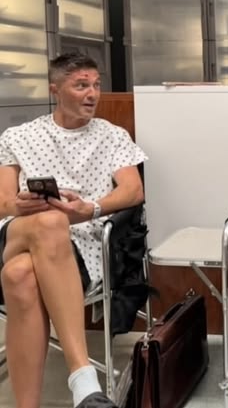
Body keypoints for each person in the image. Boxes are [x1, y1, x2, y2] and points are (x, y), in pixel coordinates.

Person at [0, 53, 147, 408]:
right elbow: (3, 202)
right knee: (50, 220)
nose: (92, 93)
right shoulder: (18, 136)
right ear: (55, 89)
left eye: (96, 85)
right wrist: (21, 205)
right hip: (15, 236)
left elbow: (133, 190)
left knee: (21, 275)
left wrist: (89, 209)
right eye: (81, 85)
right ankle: (82, 376)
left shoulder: (112, 136)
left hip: (77, 247)